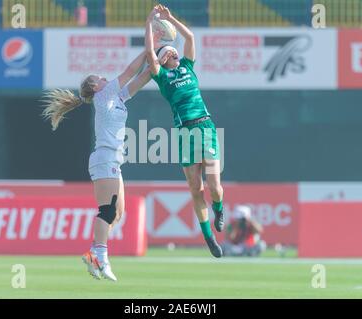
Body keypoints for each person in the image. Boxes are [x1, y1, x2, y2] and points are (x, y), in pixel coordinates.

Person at [42, 51, 151, 281]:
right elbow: (131, 72)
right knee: (107, 210)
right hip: (105, 158)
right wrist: (149, 39)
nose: (105, 79)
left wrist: (159, 55)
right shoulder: (103, 97)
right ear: (95, 86)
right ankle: (101, 255)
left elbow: (142, 78)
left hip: (113, 160)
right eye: (101, 78)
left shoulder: (117, 98)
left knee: (118, 214)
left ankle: (93, 254)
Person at [145, 5, 225, 258]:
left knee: (214, 185)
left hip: (205, 126)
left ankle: (219, 209)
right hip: (186, 133)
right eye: (169, 51)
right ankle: (209, 238)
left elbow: (190, 37)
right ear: (163, 59)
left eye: (174, 50)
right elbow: (149, 52)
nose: (174, 52)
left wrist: (170, 19)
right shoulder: (162, 77)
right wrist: (149, 24)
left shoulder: (188, 67)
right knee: (195, 188)